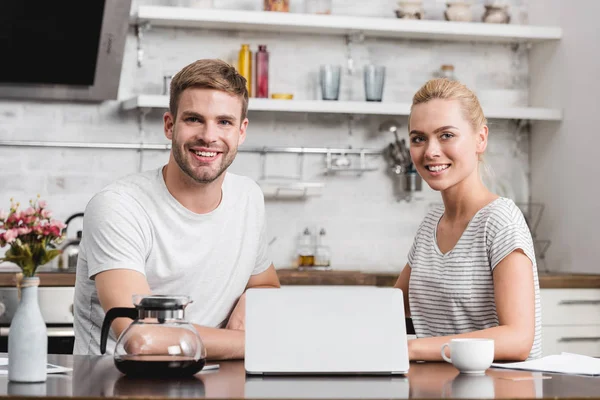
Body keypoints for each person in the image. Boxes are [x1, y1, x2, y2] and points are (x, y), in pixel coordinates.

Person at [73, 59, 280, 359]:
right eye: (194, 119)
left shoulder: (248, 197)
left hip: (210, 381)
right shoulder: (119, 206)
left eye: (224, 122)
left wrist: (253, 299)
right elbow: (140, 337)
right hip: (115, 385)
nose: (209, 136)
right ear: (170, 125)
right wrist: (252, 343)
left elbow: (266, 284)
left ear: (241, 131)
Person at [395, 78, 541, 361]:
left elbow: (518, 338)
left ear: (480, 139)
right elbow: (395, 305)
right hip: (444, 387)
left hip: (499, 388)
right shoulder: (431, 223)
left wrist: (412, 348)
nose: (430, 151)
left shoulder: (500, 221)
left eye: (446, 135)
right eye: (418, 138)